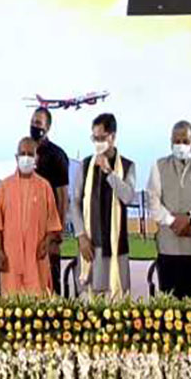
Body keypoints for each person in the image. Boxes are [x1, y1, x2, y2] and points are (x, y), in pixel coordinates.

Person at [147, 121, 191, 298]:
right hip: (167, 250)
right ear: (170, 141)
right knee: (168, 308)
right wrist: (173, 222)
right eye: (176, 141)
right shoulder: (158, 166)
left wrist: (190, 218)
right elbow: (153, 201)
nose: (180, 146)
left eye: (185, 141)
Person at [71, 113, 136, 298]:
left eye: (101, 138)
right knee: (90, 301)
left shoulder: (127, 166)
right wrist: (81, 235)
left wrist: (109, 172)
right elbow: (75, 202)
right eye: (95, 138)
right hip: (91, 245)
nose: (98, 143)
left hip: (116, 247)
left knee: (118, 300)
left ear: (112, 137)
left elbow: (128, 197)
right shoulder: (85, 165)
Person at [0, 137, 62, 296]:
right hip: (11, 261)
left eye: (30, 154)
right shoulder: (4, 187)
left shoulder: (45, 187)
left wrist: (47, 242)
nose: (26, 158)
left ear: (36, 158)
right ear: (16, 157)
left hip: (36, 260)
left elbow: (53, 224)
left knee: (38, 306)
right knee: (10, 306)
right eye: (23, 154)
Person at [29, 107, 70, 295]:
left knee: (51, 281)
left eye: (38, 123)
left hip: (49, 227)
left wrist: (58, 231)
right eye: (32, 122)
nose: (34, 126)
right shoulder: (27, 153)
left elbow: (63, 196)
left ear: (47, 127)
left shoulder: (57, 155)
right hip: (28, 227)